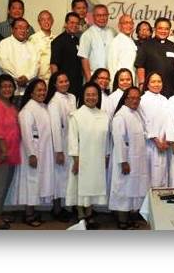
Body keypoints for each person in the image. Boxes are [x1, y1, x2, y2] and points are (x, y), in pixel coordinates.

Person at [9, 79, 54, 227]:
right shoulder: (27, 110)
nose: (42, 92)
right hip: (33, 153)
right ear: (31, 92)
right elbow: (27, 134)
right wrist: (31, 154)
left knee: (37, 183)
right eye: (39, 90)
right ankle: (28, 214)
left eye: (44, 90)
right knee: (31, 183)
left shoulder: (43, 107)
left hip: (43, 152)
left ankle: (32, 211)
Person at [66, 82, 112, 229]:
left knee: (93, 185)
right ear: (83, 96)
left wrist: (106, 155)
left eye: (94, 95)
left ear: (98, 97)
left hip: (97, 157)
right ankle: (81, 214)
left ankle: (90, 213)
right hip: (82, 158)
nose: (91, 97)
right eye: (88, 95)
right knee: (81, 185)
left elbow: (108, 138)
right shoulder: (76, 115)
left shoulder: (104, 115)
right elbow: (72, 139)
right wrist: (76, 159)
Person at [108, 86, 149, 229]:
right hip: (125, 162)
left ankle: (129, 218)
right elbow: (119, 140)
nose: (135, 100)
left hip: (135, 160)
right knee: (122, 192)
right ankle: (122, 221)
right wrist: (123, 161)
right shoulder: (120, 116)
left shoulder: (135, 113)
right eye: (132, 97)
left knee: (131, 190)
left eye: (138, 98)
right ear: (125, 99)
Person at [0, 74, 22, 230]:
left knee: (4, 186)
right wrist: (3, 151)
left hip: (11, 152)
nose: (7, 89)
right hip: (0, 153)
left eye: (10, 86)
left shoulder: (11, 106)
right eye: (4, 86)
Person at [46, 72, 77, 222]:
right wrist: (58, 150)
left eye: (66, 81)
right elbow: (55, 127)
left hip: (71, 143)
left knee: (68, 177)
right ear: (55, 84)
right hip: (60, 145)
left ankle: (67, 207)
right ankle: (56, 208)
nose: (64, 84)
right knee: (58, 177)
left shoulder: (72, 97)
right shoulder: (53, 102)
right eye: (61, 82)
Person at [139, 72, 172, 187]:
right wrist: (156, 140)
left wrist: (166, 139)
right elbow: (143, 122)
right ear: (147, 84)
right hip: (148, 144)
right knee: (147, 176)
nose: (156, 84)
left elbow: (169, 121)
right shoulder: (142, 100)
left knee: (161, 174)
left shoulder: (165, 100)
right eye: (153, 81)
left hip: (163, 145)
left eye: (159, 81)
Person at [0, 18, 40, 102]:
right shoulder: (4, 43)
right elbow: (4, 63)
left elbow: (36, 65)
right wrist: (18, 78)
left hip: (28, 89)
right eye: (19, 27)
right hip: (10, 90)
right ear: (12, 29)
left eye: (25, 28)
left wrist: (27, 77)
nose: (23, 30)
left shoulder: (32, 46)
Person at [135, 17, 174, 97]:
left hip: (170, 90)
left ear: (169, 30)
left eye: (166, 29)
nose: (163, 31)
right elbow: (140, 66)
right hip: (151, 89)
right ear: (155, 29)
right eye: (160, 28)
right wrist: (142, 84)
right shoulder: (146, 45)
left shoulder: (173, 46)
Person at [50, 12, 83, 99]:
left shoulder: (77, 40)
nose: (75, 25)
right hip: (65, 85)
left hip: (77, 84)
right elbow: (54, 64)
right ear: (65, 24)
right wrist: (58, 84)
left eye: (77, 23)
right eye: (72, 23)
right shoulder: (58, 41)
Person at [78, 4, 114, 82]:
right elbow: (84, 58)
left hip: (109, 78)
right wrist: (89, 79)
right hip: (94, 77)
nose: (102, 18)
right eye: (99, 15)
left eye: (104, 15)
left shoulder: (112, 32)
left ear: (108, 16)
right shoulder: (87, 34)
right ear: (93, 17)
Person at [28, 10, 58, 83]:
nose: (46, 22)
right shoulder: (33, 39)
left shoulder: (57, 38)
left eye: (48, 19)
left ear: (52, 21)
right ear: (39, 22)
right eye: (43, 20)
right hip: (39, 79)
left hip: (54, 79)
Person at [106, 14, 137, 83]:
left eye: (131, 23)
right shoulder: (116, 42)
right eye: (126, 23)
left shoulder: (131, 41)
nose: (129, 25)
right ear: (119, 26)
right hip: (121, 82)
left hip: (131, 80)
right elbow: (112, 66)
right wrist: (113, 85)